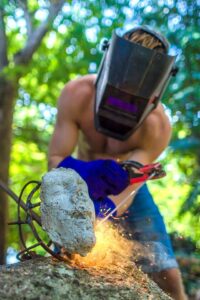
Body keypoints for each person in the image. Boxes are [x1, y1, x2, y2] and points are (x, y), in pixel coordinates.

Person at [48, 26, 187, 299]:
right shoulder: (77, 94)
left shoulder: (157, 126)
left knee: (166, 271)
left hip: (128, 190)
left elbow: (133, 183)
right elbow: (55, 159)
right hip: (75, 184)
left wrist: (106, 209)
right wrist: (83, 172)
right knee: (64, 259)